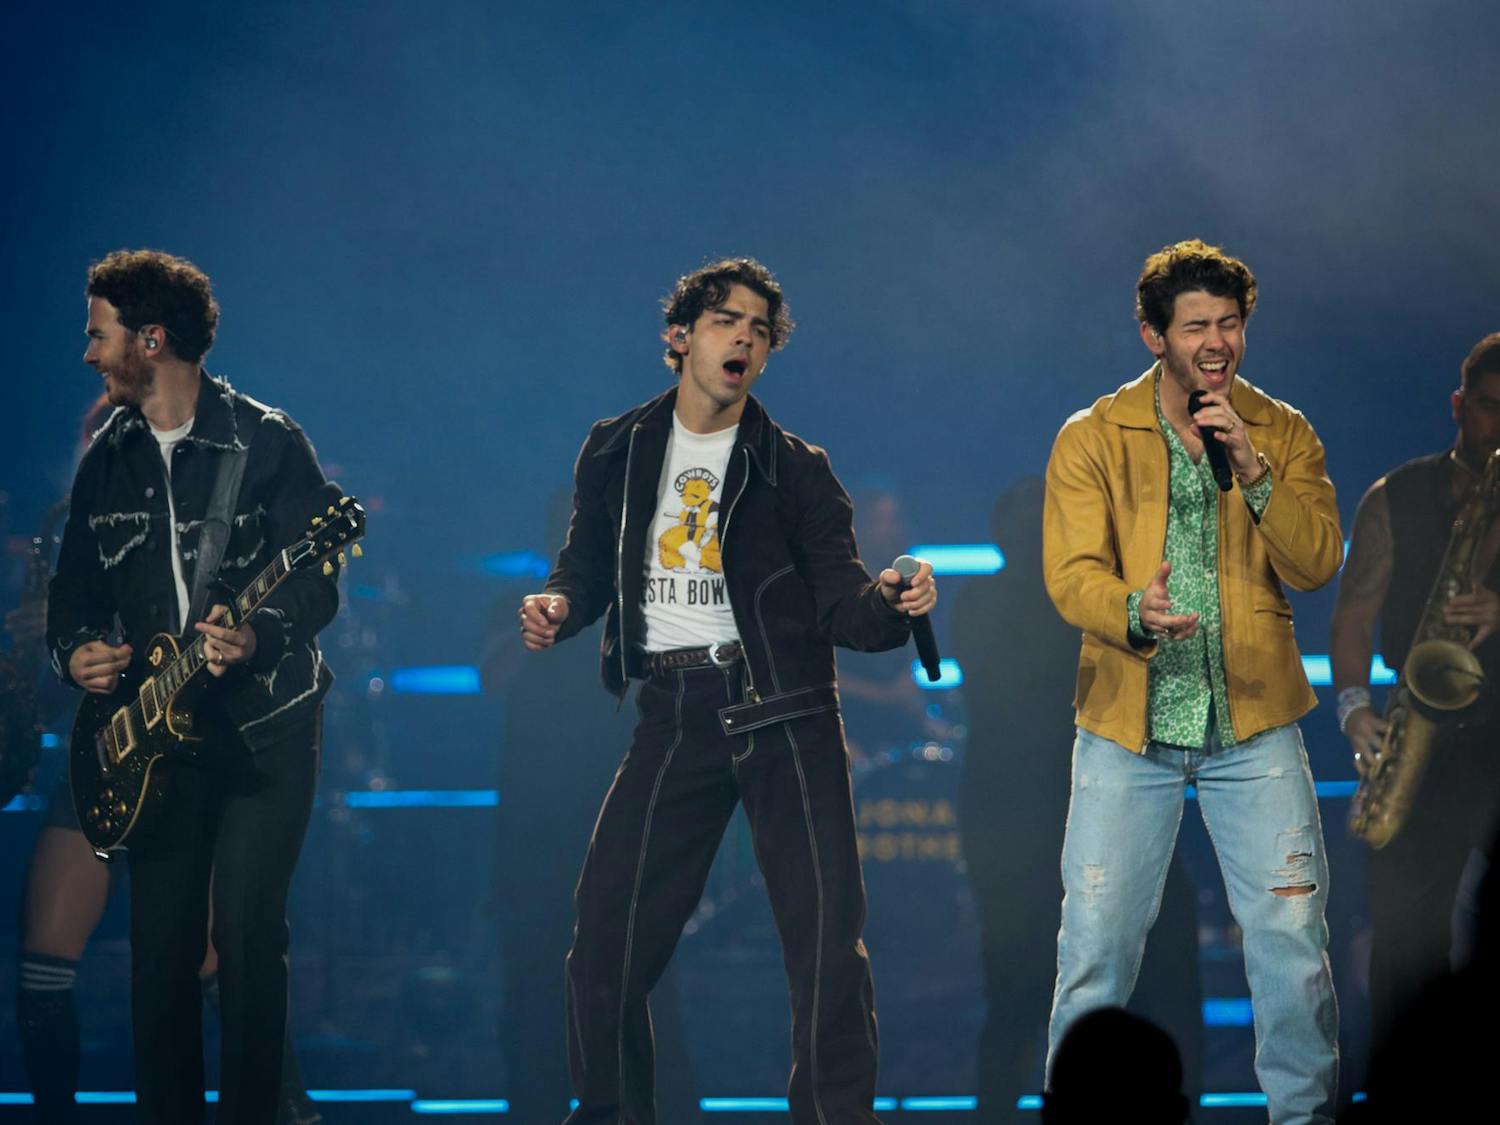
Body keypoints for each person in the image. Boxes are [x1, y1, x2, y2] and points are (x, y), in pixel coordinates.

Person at [518, 258, 936, 1125]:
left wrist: (893, 603)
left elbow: (842, 605)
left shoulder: (796, 469)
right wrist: (561, 601)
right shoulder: (617, 446)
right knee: (605, 945)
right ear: (679, 337)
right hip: (673, 717)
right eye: (723, 320)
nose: (743, 336)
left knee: (826, 952)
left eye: (758, 327)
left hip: (788, 719)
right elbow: (587, 563)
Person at [1042, 239, 1342, 1123]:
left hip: (1254, 721)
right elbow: (1069, 574)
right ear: (1152, 335)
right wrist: (1136, 609)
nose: (1217, 342)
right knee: (1095, 945)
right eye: (1196, 325)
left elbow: (1319, 558)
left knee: (1291, 939)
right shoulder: (1092, 435)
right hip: (1126, 725)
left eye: (1230, 323)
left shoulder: (1282, 432)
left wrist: (1253, 470)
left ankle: (1304, 1117)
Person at [46, 250, 340, 1124]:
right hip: (152, 743)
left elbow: (318, 580)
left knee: (250, 943)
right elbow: (73, 594)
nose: (89, 352)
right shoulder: (108, 457)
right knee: (160, 957)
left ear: (152, 338)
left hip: (264, 729)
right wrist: (75, 654)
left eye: (99, 334)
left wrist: (259, 633)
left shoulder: (270, 441)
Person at [1330, 331, 1500, 1048]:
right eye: (1491, 408)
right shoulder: (1394, 496)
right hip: (1419, 730)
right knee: (1404, 937)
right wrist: (1352, 708)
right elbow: (1353, 614)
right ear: (1459, 406)